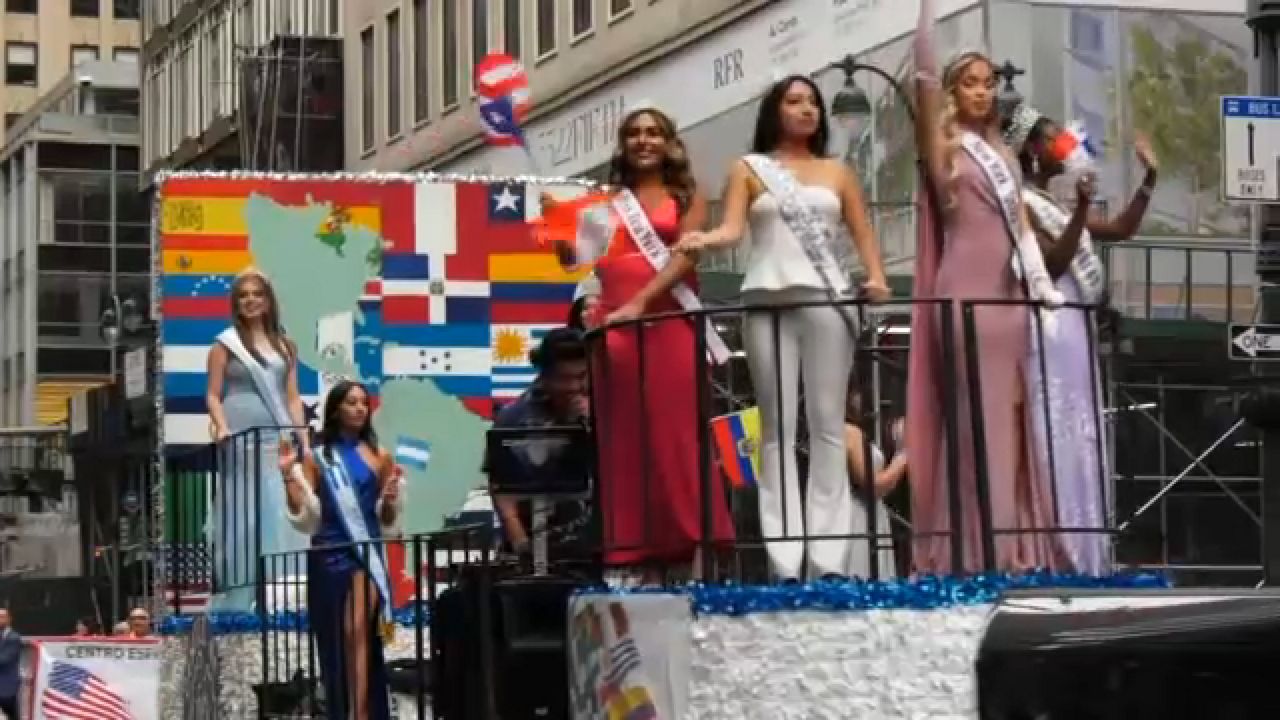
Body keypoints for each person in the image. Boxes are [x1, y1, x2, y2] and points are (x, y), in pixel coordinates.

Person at [675, 75, 890, 581]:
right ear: (775, 111)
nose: (807, 109)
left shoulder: (838, 172)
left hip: (825, 297)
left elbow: (862, 234)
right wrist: (704, 240)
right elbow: (732, 231)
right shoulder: (750, 168)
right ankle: (784, 556)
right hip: (766, 296)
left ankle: (830, 558)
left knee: (828, 428)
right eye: (795, 101)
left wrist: (877, 276)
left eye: (813, 102)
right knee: (775, 430)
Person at [905, 0, 1065, 574]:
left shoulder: (1003, 153)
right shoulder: (945, 149)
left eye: (988, 83)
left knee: (1015, 420)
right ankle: (971, 549)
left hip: (1011, 301)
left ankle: (1015, 544)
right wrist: (926, 20)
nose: (982, 92)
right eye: (969, 83)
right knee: (974, 421)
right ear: (953, 90)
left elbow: (1020, 227)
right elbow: (922, 87)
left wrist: (1044, 288)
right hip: (962, 297)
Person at [549, 106, 734, 585]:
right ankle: (631, 553)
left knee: (676, 434)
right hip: (616, 330)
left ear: (670, 142)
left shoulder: (689, 197)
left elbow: (684, 256)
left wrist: (640, 303)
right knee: (625, 439)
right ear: (623, 144)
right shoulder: (607, 203)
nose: (643, 140)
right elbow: (577, 261)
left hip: (669, 321)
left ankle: (692, 545)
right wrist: (555, 226)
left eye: (653, 133)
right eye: (634, 133)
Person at [1003, 102, 1158, 574]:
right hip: (1050, 325)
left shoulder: (1051, 204)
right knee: (1057, 423)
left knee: (1082, 426)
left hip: (1075, 325)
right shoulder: (1020, 203)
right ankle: (1061, 547)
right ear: (1030, 149)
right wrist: (1084, 207)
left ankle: (1089, 548)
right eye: (1053, 137)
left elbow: (1122, 229)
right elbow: (1051, 262)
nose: (1064, 145)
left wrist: (1149, 178)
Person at [277, 380, 403, 720]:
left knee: (359, 637)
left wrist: (390, 501)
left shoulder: (381, 456)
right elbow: (307, 516)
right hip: (327, 557)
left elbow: (387, 519)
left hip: (364, 557)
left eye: (364, 402)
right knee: (335, 645)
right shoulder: (317, 458)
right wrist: (289, 476)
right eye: (351, 402)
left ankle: (359, 714)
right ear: (335, 410)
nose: (360, 408)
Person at [204, 268, 310, 611]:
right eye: (243, 296)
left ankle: (284, 593)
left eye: (256, 295)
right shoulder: (225, 344)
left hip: (276, 434)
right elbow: (213, 395)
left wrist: (303, 438)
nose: (250, 301)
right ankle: (242, 590)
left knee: (280, 503)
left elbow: (292, 397)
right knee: (244, 509)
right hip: (240, 434)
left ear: (267, 301)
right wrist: (220, 426)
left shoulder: (286, 345)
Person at [484, 328, 597, 573]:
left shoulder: (600, 413)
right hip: (534, 546)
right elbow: (501, 486)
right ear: (545, 376)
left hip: (593, 548)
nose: (574, 387)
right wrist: (521, 544)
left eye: (581, 377)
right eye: (564, 378)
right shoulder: (514, 419)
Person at [843, 390, 901, 579]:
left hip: (866, 512)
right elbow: (873, 485)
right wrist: (902, 458)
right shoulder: (850, 433)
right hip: (859, 516)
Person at [0, 609, 20, 720]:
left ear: (9, 619)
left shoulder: (14, 638)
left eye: (2, 617)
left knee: (11, 715)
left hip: (7, 686)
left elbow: (4, 659)